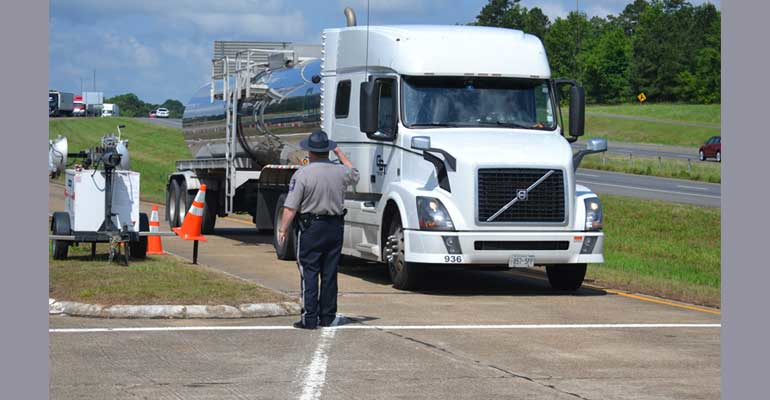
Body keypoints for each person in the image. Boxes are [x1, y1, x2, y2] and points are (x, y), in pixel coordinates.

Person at [277, 129, 359, 329]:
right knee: (330, 272)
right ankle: (328, 316)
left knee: (309, 271)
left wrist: (283, 229)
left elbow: (291, 206)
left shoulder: (303, 173)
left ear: (310, 152)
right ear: (328, 151)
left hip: (311, 227)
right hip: (335, 226)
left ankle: (309, 317)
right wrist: (339, 153)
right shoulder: (340, 172)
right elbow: (354, 174)